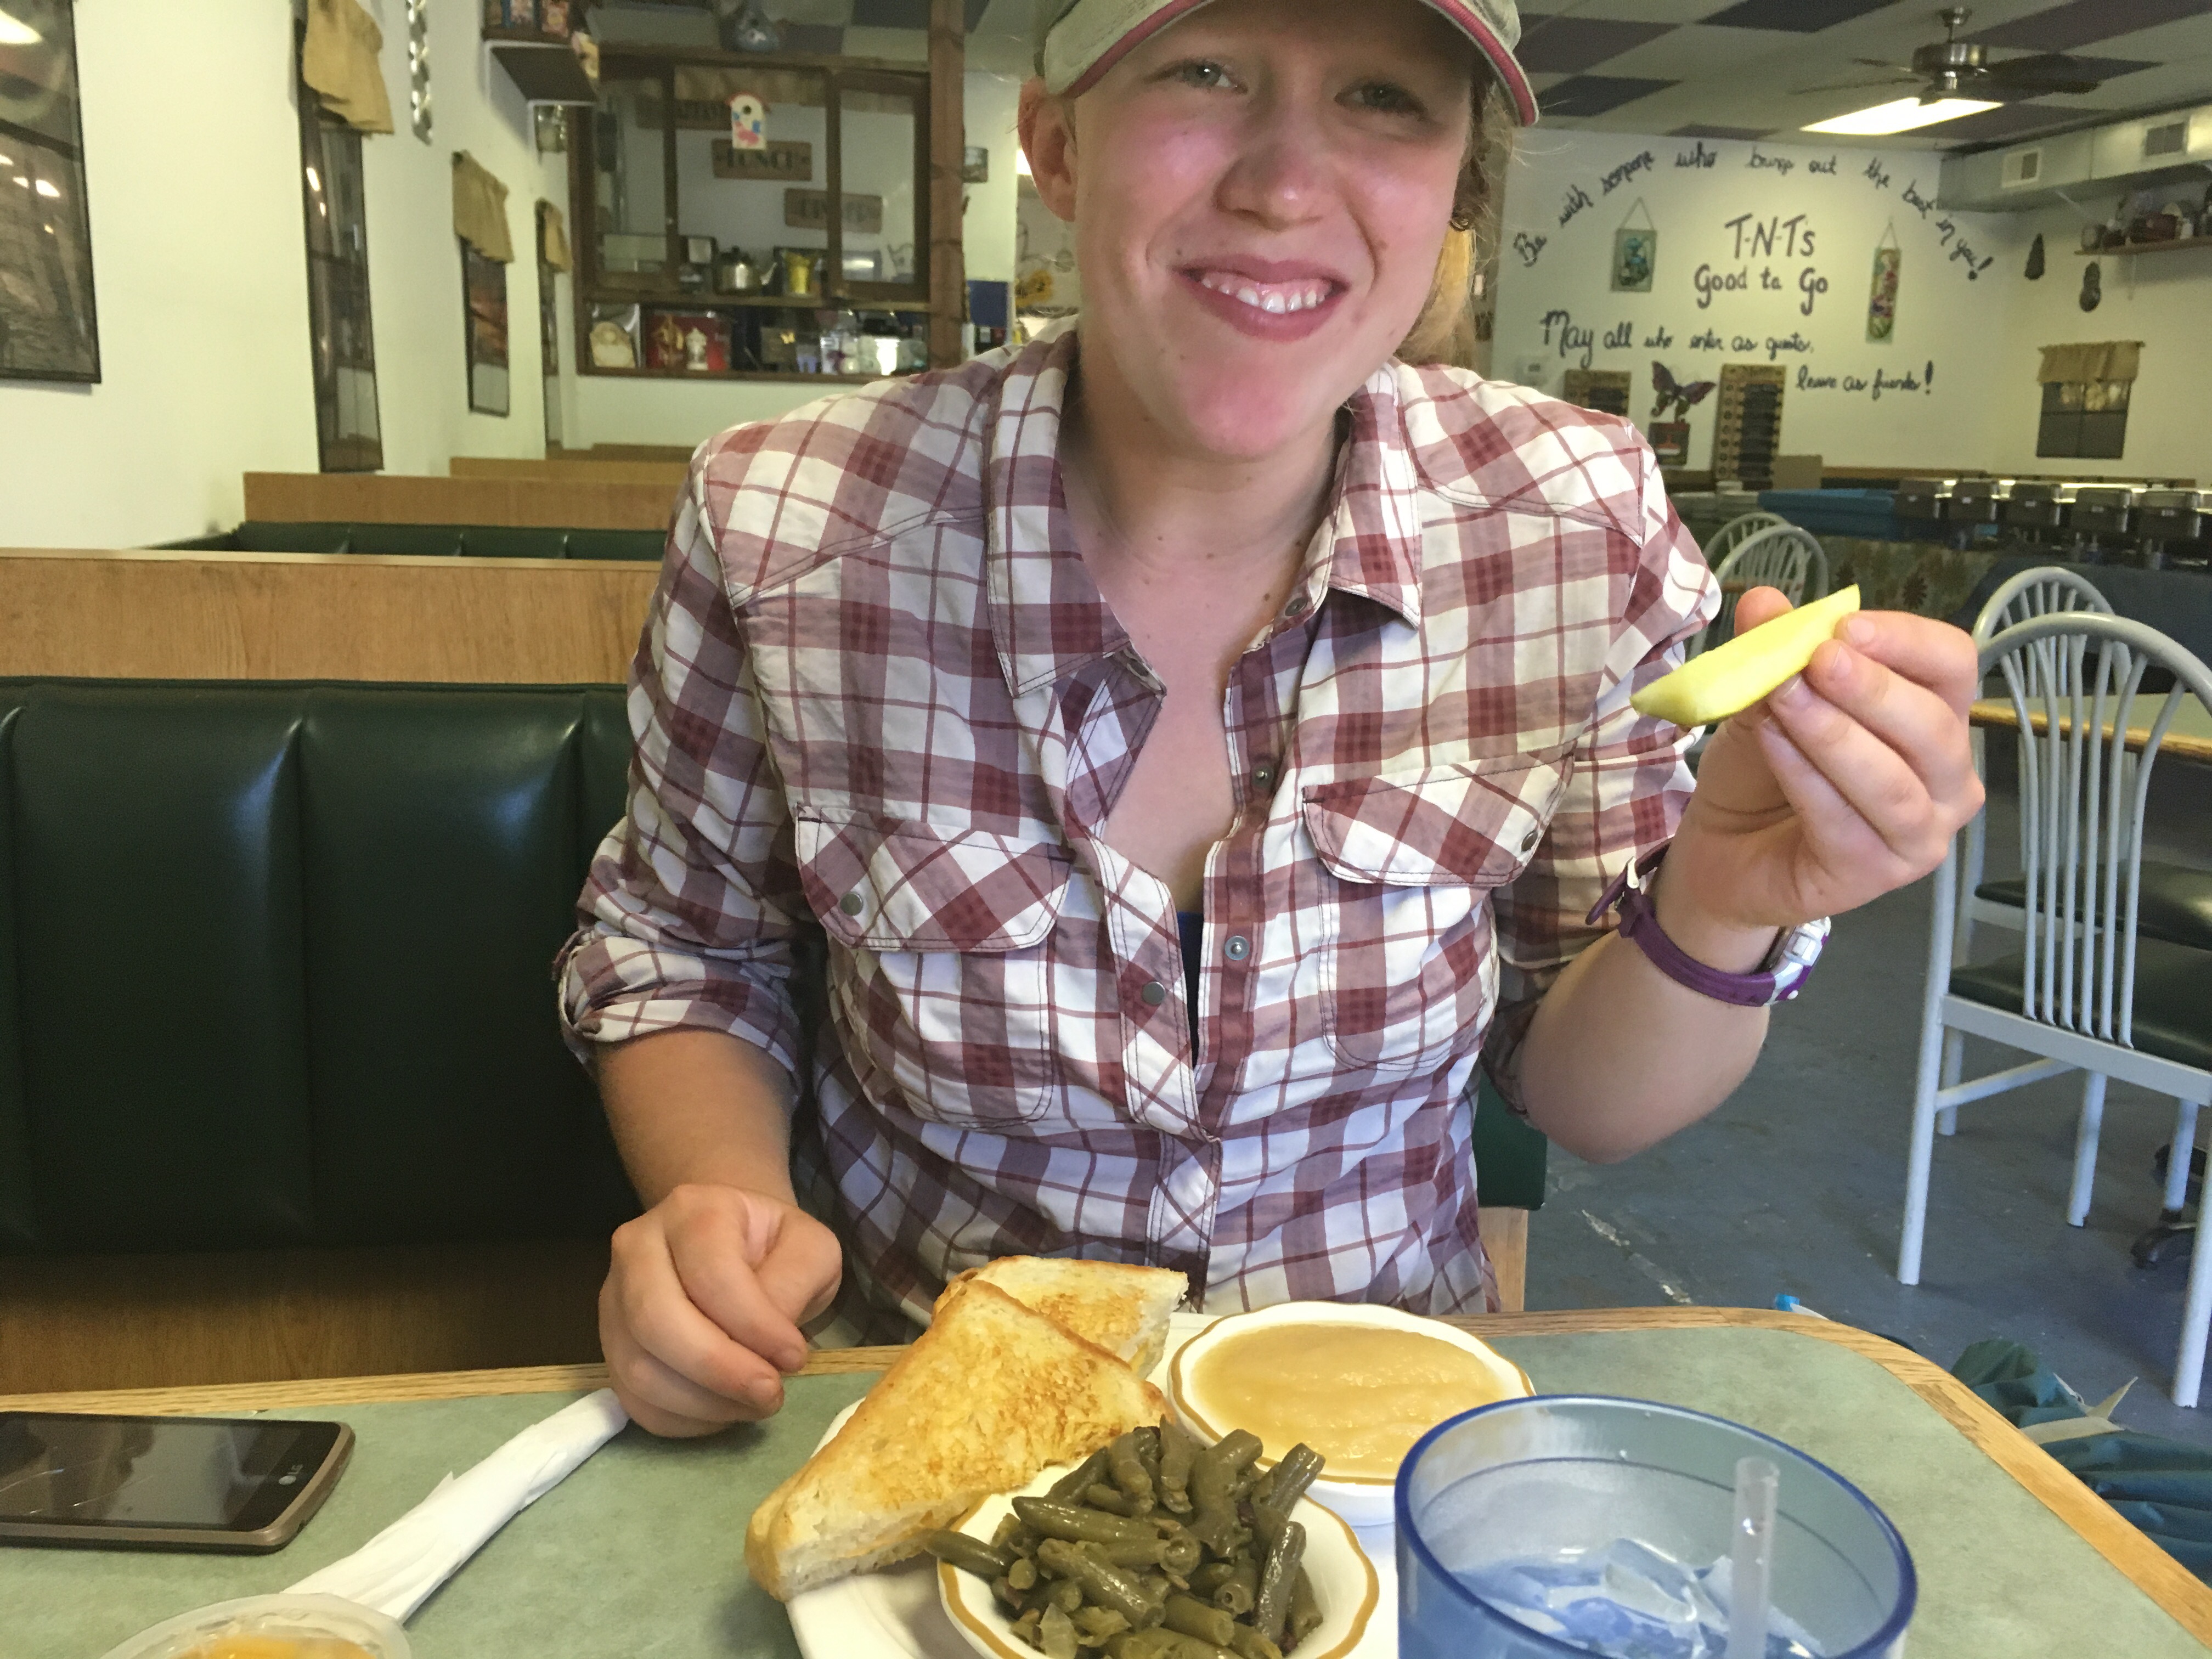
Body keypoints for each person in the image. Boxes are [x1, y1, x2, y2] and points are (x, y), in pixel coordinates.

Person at [558, 0, 1983, 1437]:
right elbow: (686, 952)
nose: (1287, 186)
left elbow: (1582, 1099)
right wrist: (723, 1208)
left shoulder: (1576, 524)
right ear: (1057, 144)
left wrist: (1720, 902)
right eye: (1206, 72)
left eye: (1383, 98)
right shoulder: (787, 529)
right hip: (940, 1427)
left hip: (1385, 1445)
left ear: (1455, 189)